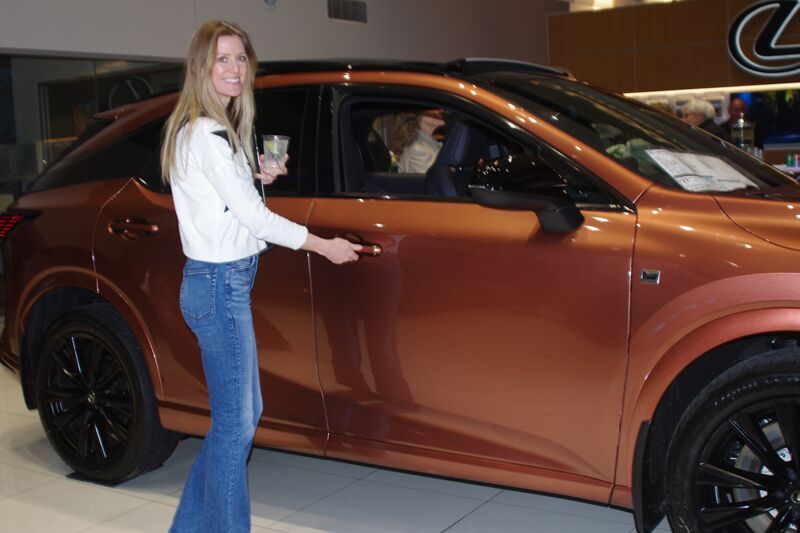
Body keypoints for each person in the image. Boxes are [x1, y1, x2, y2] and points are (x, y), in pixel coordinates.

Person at [160, 20, 361, 533]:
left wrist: (253, 176)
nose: (233, 69)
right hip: (218, 285)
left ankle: (190, 528)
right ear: (202, 68)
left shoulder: (208, 131)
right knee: (236, 424)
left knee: (241, 419)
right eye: (222, 59)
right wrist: (324, 245)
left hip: (221, 284)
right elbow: (256, 221)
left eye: (240, 59)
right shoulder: (206, 131)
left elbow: (222, 200)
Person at [397, 109, 445, 173]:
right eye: (432, 107)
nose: (441, 110)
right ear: (418, 116)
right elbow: (436, 182)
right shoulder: (417, 152)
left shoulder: (431, 144)